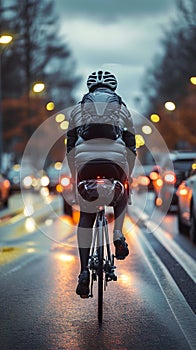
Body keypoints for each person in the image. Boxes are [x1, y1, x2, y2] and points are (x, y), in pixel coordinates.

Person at [66, 71, 136, 298]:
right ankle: (117, 234)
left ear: (89, 90)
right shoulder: (123, 109)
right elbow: (131, 147)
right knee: (122, 191)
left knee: (86, 214)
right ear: (113, 90)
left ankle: (84, 271)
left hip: (85, 163)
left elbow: (69, 147)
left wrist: (77, 175)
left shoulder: (77, 109)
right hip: (114, 164)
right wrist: (128, 176)